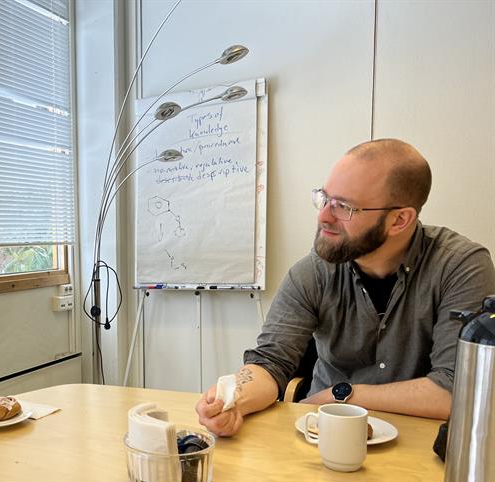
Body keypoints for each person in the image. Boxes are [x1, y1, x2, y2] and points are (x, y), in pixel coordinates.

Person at [196, 139, 495, 437]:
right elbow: (270, 363)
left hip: (418, 445)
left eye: (345, 207)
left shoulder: (460, 266)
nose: (324, 215)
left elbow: (456, 391)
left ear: (399, 220)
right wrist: (234, 400)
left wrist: (340, 395)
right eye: (324, 198)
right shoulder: (313, 272)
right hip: (322, 437)